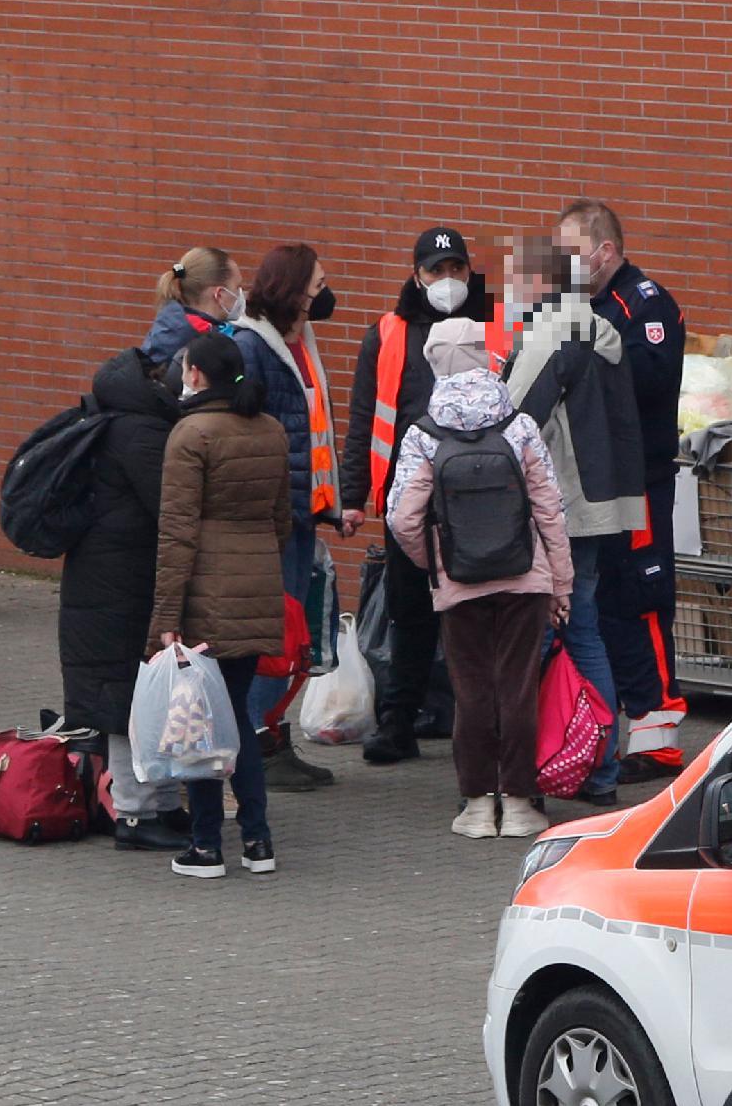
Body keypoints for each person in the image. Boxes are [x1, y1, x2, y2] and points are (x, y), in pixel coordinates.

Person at [388, 321, 572, 839]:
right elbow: (551, 510)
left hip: (460, 582)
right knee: (516, 689)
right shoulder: (519, 428)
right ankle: (516, 804)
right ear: (485, 357)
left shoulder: (423, 434)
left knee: (471, 691)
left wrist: (437, 563)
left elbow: (403, 519)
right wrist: (562, 585)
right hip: (524, 579)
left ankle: (474, 806)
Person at [503, 235, 647, 807]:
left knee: (535, 635)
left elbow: (511, 422)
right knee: (585, 630)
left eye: (518, 280)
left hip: (556, 505)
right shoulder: (601, 329)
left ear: (541, 283)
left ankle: (537, 764)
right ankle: (599, 767)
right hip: (600, 505)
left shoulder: (549, 333)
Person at [341, 225, 489, 766]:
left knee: (476, 615)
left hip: (479, 499)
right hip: (409, 499)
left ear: (469, 272)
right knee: (409, 613)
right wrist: (354, 495)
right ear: (416, 274)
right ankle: (397, 722)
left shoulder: (495, 326)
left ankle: (475, 729)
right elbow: (364, 420)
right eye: (435, 270)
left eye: (455, 270)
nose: (446, 280)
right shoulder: (388, 333)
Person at [150, 332, 291, 880]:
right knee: (237, 715)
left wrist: (165, 618)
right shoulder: (271, 430)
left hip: (204, 594)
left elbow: (177, 533)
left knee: (200, 725)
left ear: (197, 375)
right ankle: (257, 839)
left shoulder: (191, 434)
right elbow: (282, 520)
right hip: (256, 588)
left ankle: (207, 845)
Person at [557, 199, 690, 766]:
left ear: (604, 251)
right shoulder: (575, 305)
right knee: (603, 603)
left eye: (571, 254)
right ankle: (613, 727)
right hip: (594, 483)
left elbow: (647, 378)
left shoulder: (644, 304)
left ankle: (658, 737)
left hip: (638, 481)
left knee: (641, 596)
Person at [56, 344, 189, 851]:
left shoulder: (123, 421)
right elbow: (171, 508)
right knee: (128, 699)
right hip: (122, 584)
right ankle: (134, 814)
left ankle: (158, 805)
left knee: (141, 693)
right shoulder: (143, 434)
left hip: (106, 580)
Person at [227, 242, 344, 793]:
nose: (325, 295)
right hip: (272, 518)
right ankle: (257, 740)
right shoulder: (254, 347)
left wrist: (333, 503)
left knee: (291, 632)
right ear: (293, 292)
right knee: (270, 632)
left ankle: (271, 734)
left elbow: (315, 429)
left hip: (304, 511)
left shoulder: (302, 342)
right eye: (317, 286)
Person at [141, 246, 238, 373]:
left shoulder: (173, 322)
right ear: (219, 294)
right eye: (237, 287)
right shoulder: (197, 341)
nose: (241, 295)